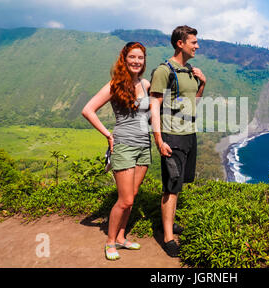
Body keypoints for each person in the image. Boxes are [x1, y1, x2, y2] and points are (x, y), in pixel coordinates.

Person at [81, 42, 151, 261]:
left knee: (134, 196)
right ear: (124, 58)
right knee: (125, 200)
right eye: (132, 57)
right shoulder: (115, 84)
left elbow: (150, 114)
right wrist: (108, 135)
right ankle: (110, 241)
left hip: (144, 146)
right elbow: (88, 110)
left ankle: (121, 237)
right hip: (124, 146)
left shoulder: (146, 84)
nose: (136, 61)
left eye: (140, 58)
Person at [149, 25, 206, 257]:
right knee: (171, 187)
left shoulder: (190, 70)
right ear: (180, 43)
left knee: (179, 183)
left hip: (189, 134)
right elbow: (154, 107)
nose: (197, 46)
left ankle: (169, 223)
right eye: (193, 42)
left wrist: (202, 83)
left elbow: (194, 102)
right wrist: (159, 140)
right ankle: (168, 238)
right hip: (172, 135)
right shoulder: (164, 71)